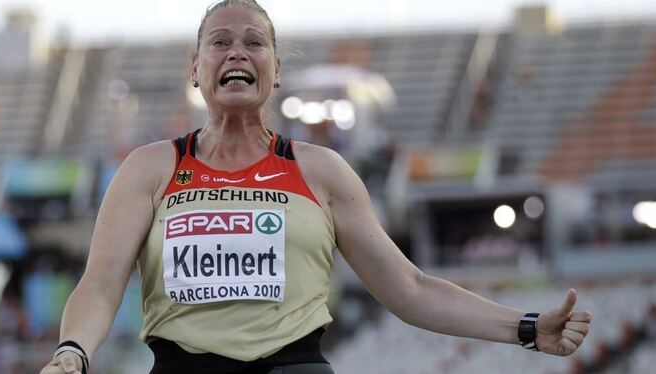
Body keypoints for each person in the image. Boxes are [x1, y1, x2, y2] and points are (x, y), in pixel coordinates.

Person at [40, 1, 592, 373]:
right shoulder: (149, 168)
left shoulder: (321, 171)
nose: (236, 52)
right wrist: (72, 352)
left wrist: (524, 327)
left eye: (254, 43)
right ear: (195, 68)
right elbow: (101, 284)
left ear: (276, 69)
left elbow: (411, 289)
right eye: (220, 42)